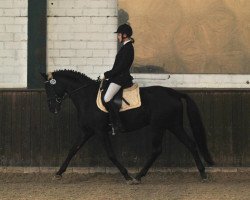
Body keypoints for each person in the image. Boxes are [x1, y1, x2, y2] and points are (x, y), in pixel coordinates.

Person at [100, 23, 135, 134]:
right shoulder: (125, 47)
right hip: (117, 77)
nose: (117, 37)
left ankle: (117, 125)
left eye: (119, 35)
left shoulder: (128, 48)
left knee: (106, 98)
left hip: (121, 78)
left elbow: (120, 68)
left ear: (124, 35)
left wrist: (106, 74)